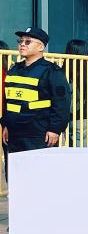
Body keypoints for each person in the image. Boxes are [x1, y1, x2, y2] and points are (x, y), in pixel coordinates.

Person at [2, 27, 72, 166]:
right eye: (20, 41)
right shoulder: (14, 69)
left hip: (38, 135)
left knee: (39, 172)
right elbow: (9, 101)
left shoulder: (52, 71)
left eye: (28, 42)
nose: (22, 44)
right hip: (14, 134)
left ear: (41, 47)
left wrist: (55, 129)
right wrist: (6, 125)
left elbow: (62, 103)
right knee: (14, 173)